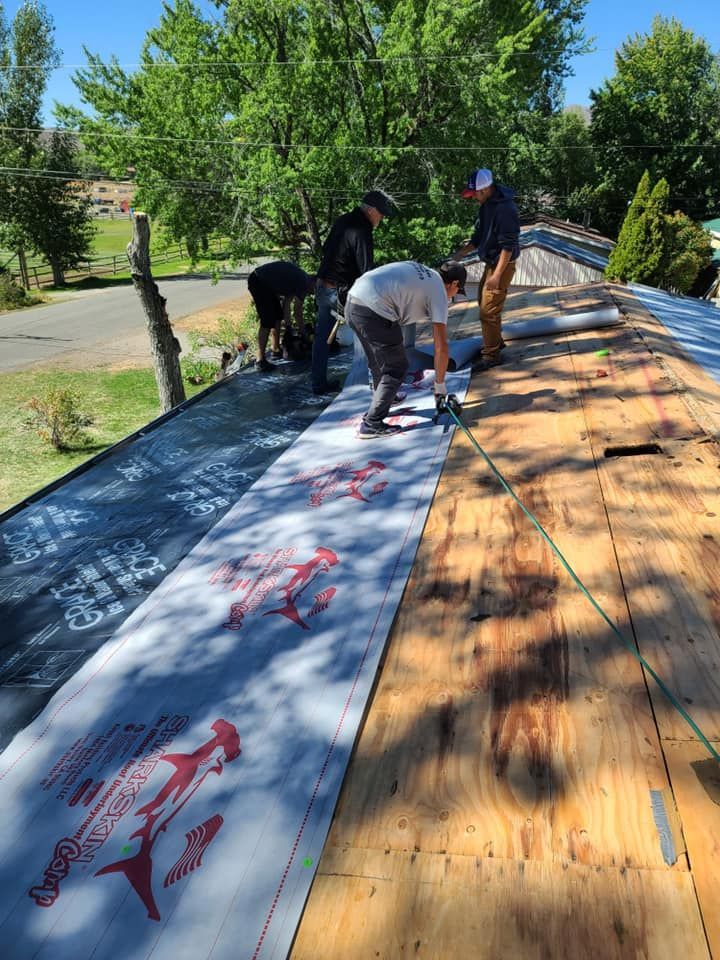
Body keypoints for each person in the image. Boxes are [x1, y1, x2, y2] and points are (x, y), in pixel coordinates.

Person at [345, 260, 467, 439]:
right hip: (375, 310)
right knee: (397, 367)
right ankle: (372, 423)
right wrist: (440, 386)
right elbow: (441, 346)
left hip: (354, 301)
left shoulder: (426, 273)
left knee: (379, 362)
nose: (453, 296)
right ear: (454, 283)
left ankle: (386, 397)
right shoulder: (439, 292)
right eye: (458, 291)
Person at [313, 189, 394, 395]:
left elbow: (326, 250)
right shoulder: (362, 229)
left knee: (322, 339)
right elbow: (367, 271)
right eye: (381, 213)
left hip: (323, 287)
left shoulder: (342, 221)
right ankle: (377, 384)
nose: (382, 218)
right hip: (340, 293)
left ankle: (318, 384)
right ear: (370, 210)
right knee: (371, 331)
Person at [451, 168, 520, 370]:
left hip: (502, 265)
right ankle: (496, 343)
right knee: (484, 303)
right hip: (491, 262)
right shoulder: (486, 205)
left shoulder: (505, 209)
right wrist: (459, 255)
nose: (473, 198)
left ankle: (491, 356)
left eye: (475, 194)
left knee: (488, 311)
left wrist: (497, 275)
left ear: (485, 189)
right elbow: (478, 236)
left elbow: (509, 245)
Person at [247, 261, 315, 372]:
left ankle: (276, 349)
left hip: (265, 284)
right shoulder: (304, 283)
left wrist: (288, 327)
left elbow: (287, 304)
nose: (313, 294)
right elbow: (297, 312)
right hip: (259, 281)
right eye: (314, 291)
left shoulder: (299, 281)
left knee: (277, 316)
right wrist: (304, 335)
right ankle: (260, 361)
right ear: (314, 283)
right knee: (267, 321)